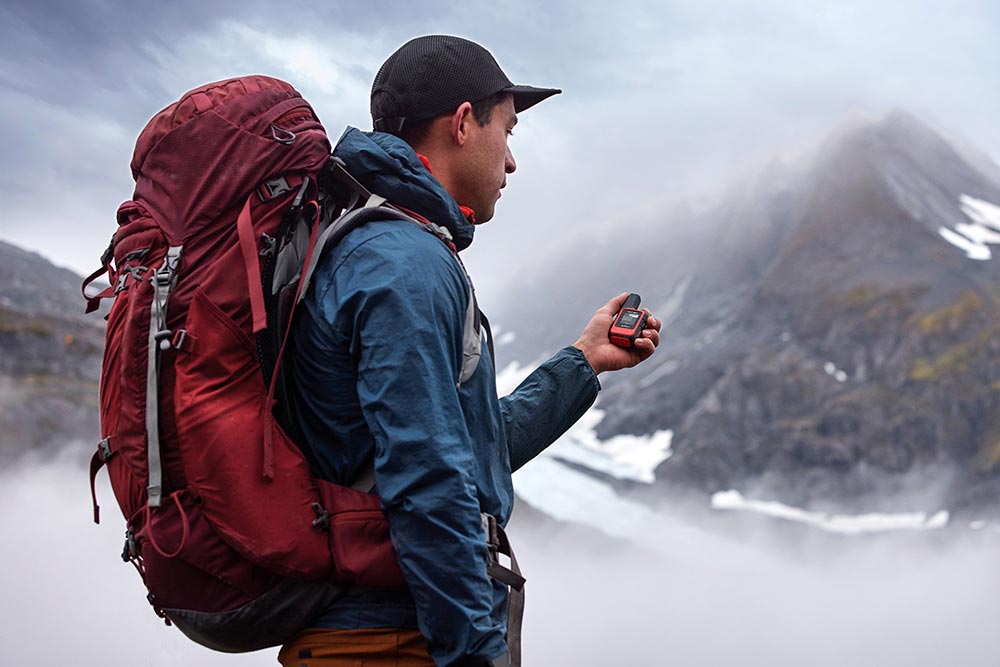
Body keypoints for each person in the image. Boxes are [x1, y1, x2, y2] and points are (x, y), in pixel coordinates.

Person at [278, 35, 661, 667]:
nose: (512, 161)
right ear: (462, 123)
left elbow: (462, 450)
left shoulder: (381, 246)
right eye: (507, 131)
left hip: (376, 633)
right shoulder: (404, 264)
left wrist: (583, 362)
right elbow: (429, 477)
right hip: (389, 641)